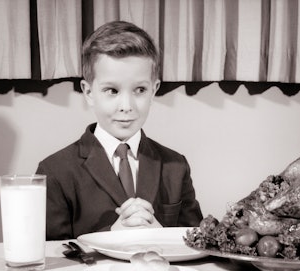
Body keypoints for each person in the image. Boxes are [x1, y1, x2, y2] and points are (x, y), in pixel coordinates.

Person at [36, 21, 203, 240]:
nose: (126, 105)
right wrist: (111, 237)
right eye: (112, 90)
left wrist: (163, 236)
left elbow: (198, 244)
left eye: (140, 90)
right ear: (88, 92)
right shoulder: (55, 171)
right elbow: (51, 257)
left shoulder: (176, 166)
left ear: (154, 90)